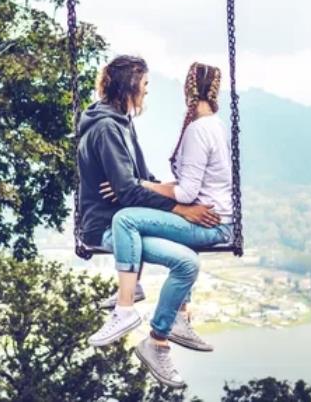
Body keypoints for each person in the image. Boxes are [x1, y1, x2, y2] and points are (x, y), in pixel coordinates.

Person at [81, 60, 233, 387]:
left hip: (127, 221)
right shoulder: (107, 128)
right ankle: (130, 313)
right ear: (130, 85)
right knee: (173, 254)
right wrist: (179, 207)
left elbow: (138, 178)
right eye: (145, 84)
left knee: (187, 263)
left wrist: (153, 186)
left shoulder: (122, 121)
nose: (148, 90)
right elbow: (127, 191)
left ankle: (157, 337)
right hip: (108, 224)